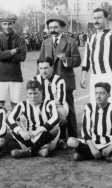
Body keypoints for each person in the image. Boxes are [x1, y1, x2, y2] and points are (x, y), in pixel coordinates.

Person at [39, 17, 81, 148]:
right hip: (49, 81)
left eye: (55, 27)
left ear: (61, 28)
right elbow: (40, 62)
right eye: (51, 28)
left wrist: (66, 60)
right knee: (51, 109)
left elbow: (78, 60)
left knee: (69, 109)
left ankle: (73, 136)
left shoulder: (70, 41)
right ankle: (59, 138)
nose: (53, 30)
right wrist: (39, 80)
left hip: (65, 80)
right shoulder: (45, 43)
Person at [67, 82, 112, 163]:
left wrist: (110, 147)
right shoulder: (89, 108)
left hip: (108, 143)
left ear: (109, 95)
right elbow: (85, 131)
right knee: (70, 141)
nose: (98, 96)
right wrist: (92, 148)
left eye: (102, 93)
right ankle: (107, 157)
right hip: (92, 143)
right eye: (96, 93)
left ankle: (87, 156)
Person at [80, 8, 112, 110]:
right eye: (94, 18)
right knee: (95, 102)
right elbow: (86, 58)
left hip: (110, 75)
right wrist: (83, 76)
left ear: (106, 19)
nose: (96, 20)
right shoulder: (91, 38)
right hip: (95, 75)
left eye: (99, 17)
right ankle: (98, 125)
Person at [6, 80, 60, 158]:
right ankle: (37, 150)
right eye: (30, 93)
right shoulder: (23, 104)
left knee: (55, 128)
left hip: (45, 139)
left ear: (41, 92)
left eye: (35, 93)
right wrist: (21, 131)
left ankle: (28, 151)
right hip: (28, 138)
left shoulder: (49, 103)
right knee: (13, 125)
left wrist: (38, 131)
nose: (33, 96)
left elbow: (56, 118)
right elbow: (9, 119)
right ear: (27, 93)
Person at [0, 13, 26, 110]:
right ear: (2, 24)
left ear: (14, 24)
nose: (7, 27)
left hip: (15, 75)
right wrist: (13, 51)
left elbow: (22, 57)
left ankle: (14, 124)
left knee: (15, 104)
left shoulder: (20, 39)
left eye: (10, 24)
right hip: (0, 76)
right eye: (5, 24)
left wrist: (5, 56)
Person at [32, 56, 68, 148]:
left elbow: (60, 100)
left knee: (61, 112)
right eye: (41, 68)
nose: (43, 71)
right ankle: (38, 135)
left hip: (56, 105)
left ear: (52, 67)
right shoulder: (34, 80)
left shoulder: (59, 80)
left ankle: (62, 138)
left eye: (46, 68)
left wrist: (46, 107)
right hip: (40, 105)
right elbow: (32, 98)